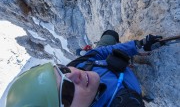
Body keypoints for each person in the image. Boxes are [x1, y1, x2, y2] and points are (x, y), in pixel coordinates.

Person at [5, 30, 163, 107]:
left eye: (62, 70)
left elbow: (99, 53)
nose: (74, 75)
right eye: (66, 92)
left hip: (106, 66)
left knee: (109, 35)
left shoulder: (76, 66)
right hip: (126, 83)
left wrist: (137, 46)